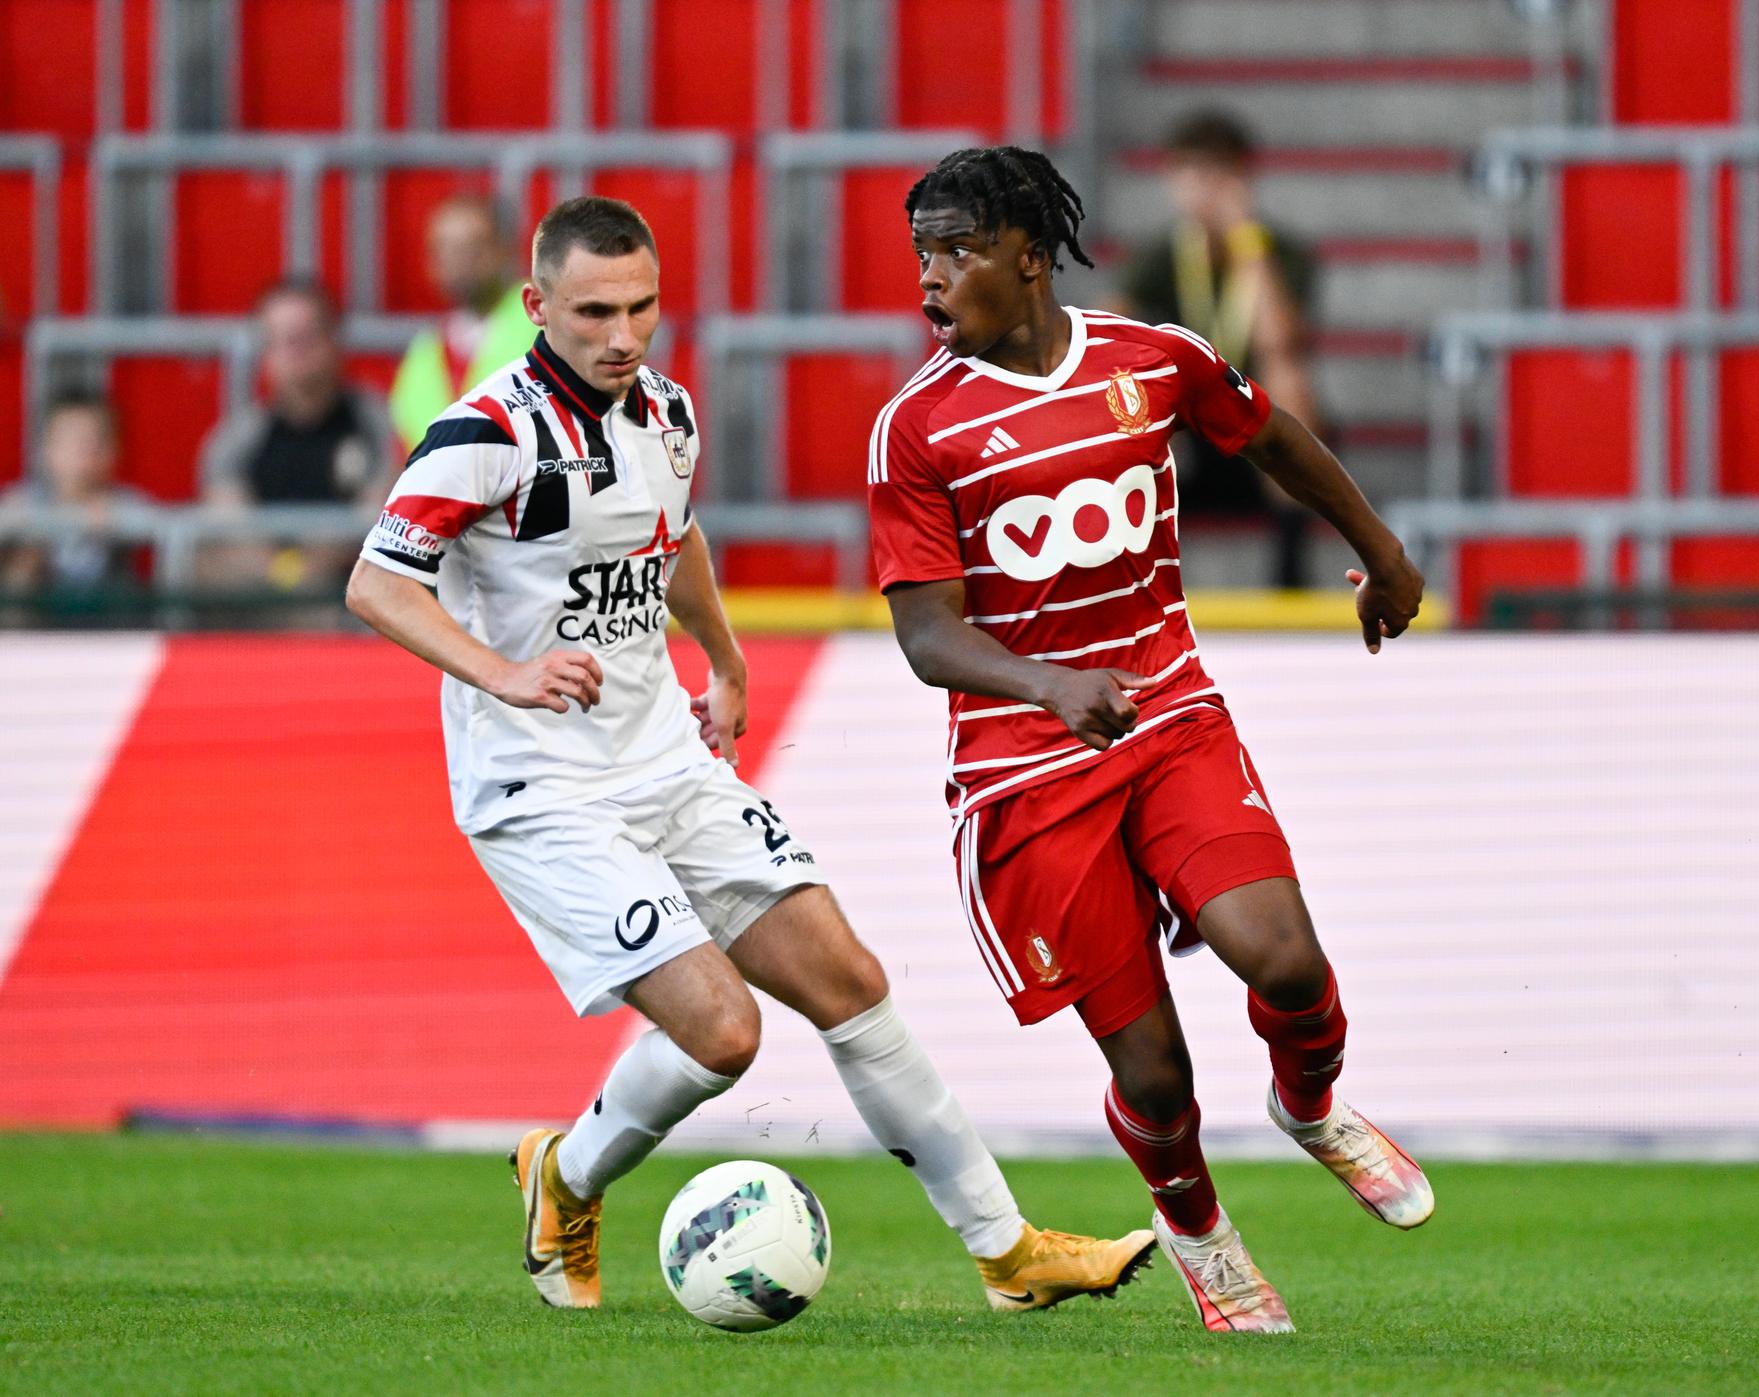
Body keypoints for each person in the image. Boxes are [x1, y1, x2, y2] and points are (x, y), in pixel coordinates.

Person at [344, 195, 1154, 1317]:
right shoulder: (484, 434)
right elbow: (375, 583)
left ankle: (1008, 1252)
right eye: (592, 313)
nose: (623, 336)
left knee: (851, 981)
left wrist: (721, 654)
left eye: (642, 308)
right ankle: (567, 1176)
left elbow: (669, 537)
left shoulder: (666, 410)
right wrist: (505, 671)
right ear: (537, 307)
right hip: (542, 787)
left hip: (666, 758)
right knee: (725, 1030)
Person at [867, 147, 1435, 1335]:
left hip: (1169, 713)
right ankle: (1202, 1236)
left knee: (1282, 960)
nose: (930, 278)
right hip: (1024, 773)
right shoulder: (918, 426)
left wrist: (1381, 550)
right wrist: (1044, 683)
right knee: (1157, 1076)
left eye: (955, 251)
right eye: (920, 251)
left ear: (1029, 257)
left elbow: (1270, 436)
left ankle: (1311, 1102)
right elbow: (926, 633)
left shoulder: (1152, 357)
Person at [1115, 111, 1323, 587]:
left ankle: (1290, 578)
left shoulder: (1280, 251)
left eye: (1216, 174)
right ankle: (1125, 581)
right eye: (1189, 173)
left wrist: (1247, 243)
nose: (1202, 189)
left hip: (1259, 433)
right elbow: (1108, 330)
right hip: (1188, 433)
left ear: (1243, 179)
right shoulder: (1159, 255)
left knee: (1287, 376)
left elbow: (1283, 341)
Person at [198, 280, 394, 588]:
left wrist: (315, 567)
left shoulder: (379, 423)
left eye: (306, 337)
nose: (296, 351)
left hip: (353, 600)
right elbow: (227, 524)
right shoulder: (236, 441)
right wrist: (286, 574)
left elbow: (383, 514)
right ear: (264, 351)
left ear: (334, 340)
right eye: (282, 340)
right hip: (261, 600)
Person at [389, 193, 538, 452]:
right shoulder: (424, 351)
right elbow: (403, 447)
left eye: (472, 246)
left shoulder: (545, 320)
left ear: (506, 249)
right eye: (442, 248)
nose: (457, 259)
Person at [0, 390, 152, 597]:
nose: (87, 450)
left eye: (98, 439)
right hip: (38, 619)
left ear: (116, 450)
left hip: (109, 619)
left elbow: (174, 534)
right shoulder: (20, 502)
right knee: (22, 565)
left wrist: (119, 524)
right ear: (47, 449)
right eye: (73, 439)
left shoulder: (126, 503)